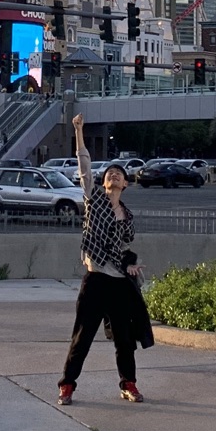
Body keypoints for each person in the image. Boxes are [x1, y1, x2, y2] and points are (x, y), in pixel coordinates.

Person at [58, 115, 151, 404]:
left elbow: (123, 251)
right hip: (96, 279)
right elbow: (84, 166)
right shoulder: (94, 200)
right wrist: (78, 131)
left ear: (125, 183)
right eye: (109, 173)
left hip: (119, 283)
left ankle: (129, 384)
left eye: (118, 174)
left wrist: (130, 266)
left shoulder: (128, 218)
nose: (113, 175)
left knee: (125, 340)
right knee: (82, 337)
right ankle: (67, 385)